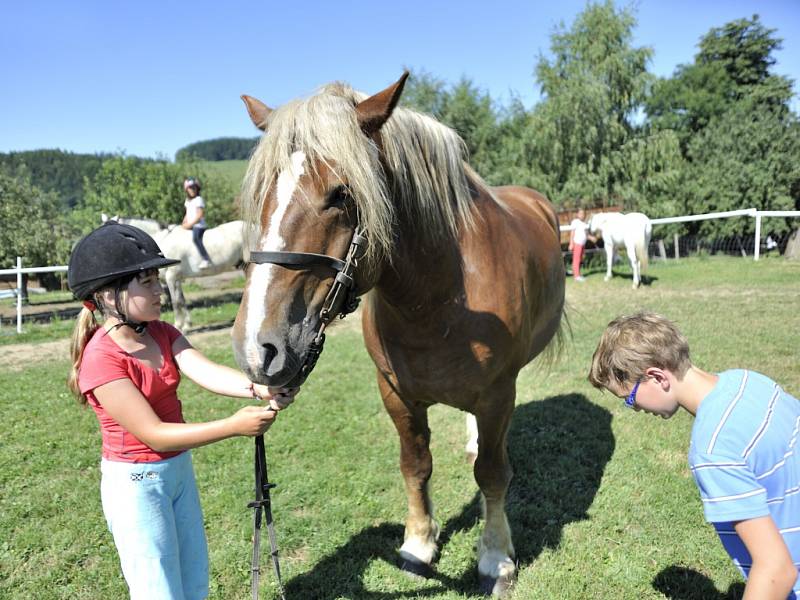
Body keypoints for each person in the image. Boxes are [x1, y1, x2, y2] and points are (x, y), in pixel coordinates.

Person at [66, 221, 297, 600]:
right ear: (108, 296)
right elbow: (154, 433)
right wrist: (233, 426)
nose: (160, 290)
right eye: (147, 282)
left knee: (194, 581)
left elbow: (203, 370)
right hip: (137, 486)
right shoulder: (101, 360)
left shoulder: (161, 332)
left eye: (158, 279)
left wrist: (259, 387)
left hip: (177, 472)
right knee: (158, 590)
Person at [588, 311, 800, 599]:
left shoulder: (712, 449)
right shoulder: (748, 381)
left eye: (628, 398)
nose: (634, 408)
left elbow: (777, 570)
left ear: (657, 377)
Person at [182, 177, 212, 269]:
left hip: (198, 225)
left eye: (194, 188)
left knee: (196, 239)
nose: (192, 190)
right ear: (187, 190)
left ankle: (206, 259)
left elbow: (199, 215)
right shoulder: (187, 201)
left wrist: (189, 225)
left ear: (197, 189)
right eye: (190, 188)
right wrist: (183, 222)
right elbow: (187, 214)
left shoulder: (198, 199)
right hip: (190, 225)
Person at [568, 208, 592, 282]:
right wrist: (571, 243)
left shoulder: (585, 224)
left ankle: (577, 273)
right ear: (577, 214)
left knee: (580, 259)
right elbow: (572, 233)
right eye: (581, 214)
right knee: (576, 259)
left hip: (582, 244)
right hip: (577, 243)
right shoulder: (575, 222)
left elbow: (586, 234)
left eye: (584, 214)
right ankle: (577, 276)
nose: (582, 215)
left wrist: (591, 238)